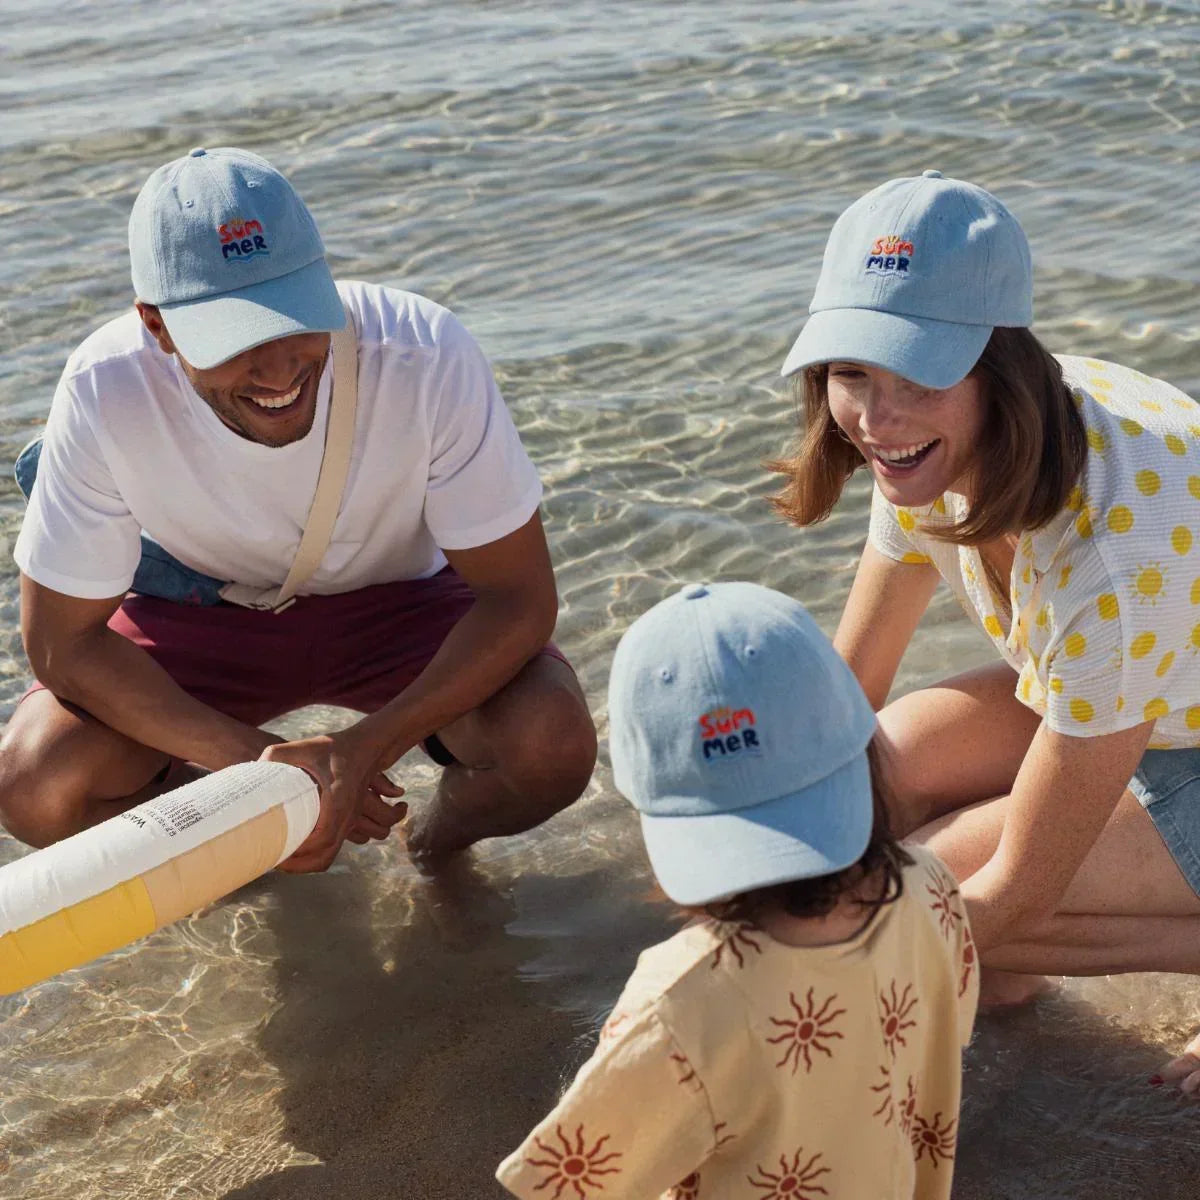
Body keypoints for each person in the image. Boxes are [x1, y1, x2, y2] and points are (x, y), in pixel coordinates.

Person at [2, 146, 596, 872]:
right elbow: (63, 645)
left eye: (294, 318)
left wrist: (366, 748)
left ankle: (435, 849)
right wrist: (261, 777)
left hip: (402, 604)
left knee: (552, 741)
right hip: (208, 617)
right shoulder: (104, 388)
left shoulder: (424, 351)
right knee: (36, 786)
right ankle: (251, 865)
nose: (281, 369)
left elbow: (519, 598)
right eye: (236, 340)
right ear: (157, 326)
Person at [771, 169, 1200, 1089]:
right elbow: (844, 709)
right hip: (1155, 706)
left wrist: (784, 1009)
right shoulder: (932, 448)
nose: (877, 420)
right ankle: (1004, 1018)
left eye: (920, 375)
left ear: (997, 363)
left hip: (1172, 722)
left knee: (916, 892)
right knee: (876, 780)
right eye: (852, 371)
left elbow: (1016, 886)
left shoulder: (1116, 557)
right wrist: (748, 887)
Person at [497, 581, 978, 1200]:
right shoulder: (929, 886)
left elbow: (577, 1183)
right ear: (859, 747)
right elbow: (949, 1021)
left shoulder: (681, 1003)